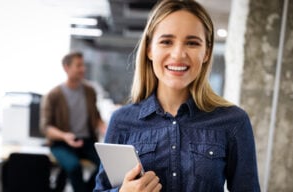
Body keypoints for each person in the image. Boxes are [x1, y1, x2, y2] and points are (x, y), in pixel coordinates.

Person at [94, 1, 260, 192]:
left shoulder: (233, 122)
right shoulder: (122, 121)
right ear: (149, 49)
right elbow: (101, 189)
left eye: (192, 43)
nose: (178, 54)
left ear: (206, 51)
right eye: (166, 42)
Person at [40, 51, 105, 192]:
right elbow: (46, 127)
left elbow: (96, 116)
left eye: (83, 65)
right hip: (62, 143)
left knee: (107, 165)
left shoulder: (89, 91)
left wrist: (104, 127)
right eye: (78, 65)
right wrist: (64, 136)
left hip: (86, 142)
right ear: (66, 67)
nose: (83, 69)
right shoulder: (53, 95)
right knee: (75, 168)